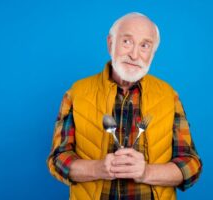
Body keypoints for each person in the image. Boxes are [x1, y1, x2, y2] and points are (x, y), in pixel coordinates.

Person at [47, 12, 202, 200]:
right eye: (127, 42)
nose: (134, 55)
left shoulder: (169, 95)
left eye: (144, 46)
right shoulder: (76, 93)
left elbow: (191, 165)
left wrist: (146, 172)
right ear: (111, 43)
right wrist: (98, 168)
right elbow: (58, 160)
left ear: (152, 53)